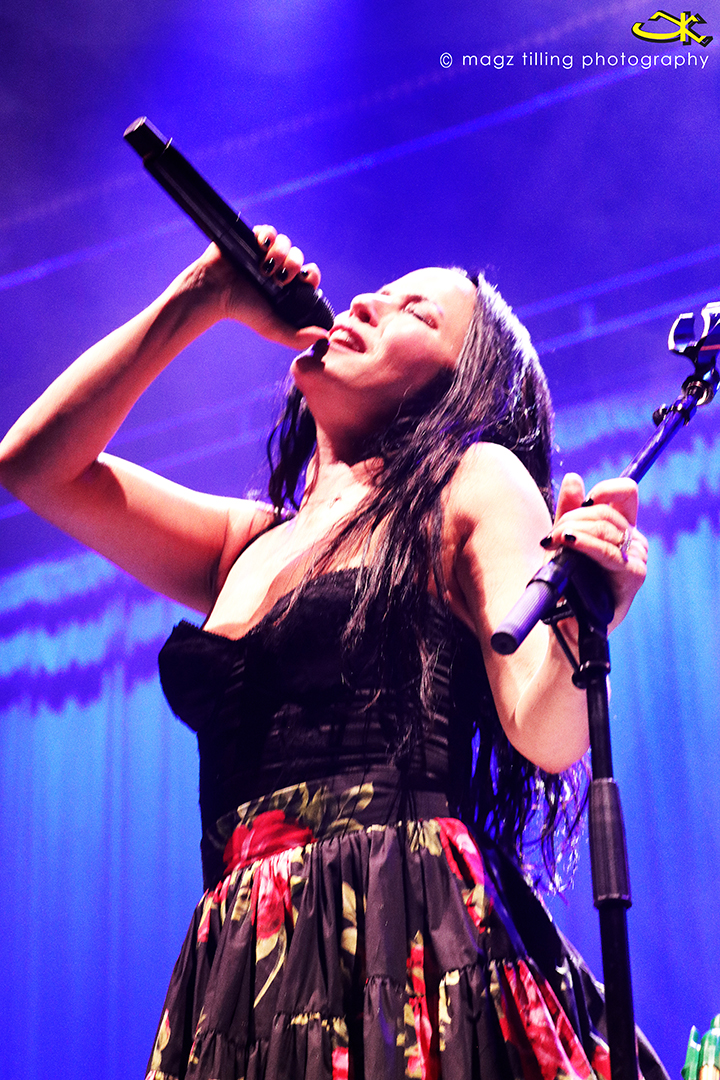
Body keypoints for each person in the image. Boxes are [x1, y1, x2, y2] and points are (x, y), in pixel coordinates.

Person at [0, 231, 665, 1080]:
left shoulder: (473, 481)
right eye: (377, 290)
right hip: (245, 960)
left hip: (406, 930)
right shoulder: (243, 544)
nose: (365, 303)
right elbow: (34, 467)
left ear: (458, 390)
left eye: (414, 311)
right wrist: (203, 296)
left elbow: (544, 730)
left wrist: (582, 622)